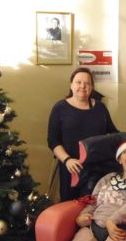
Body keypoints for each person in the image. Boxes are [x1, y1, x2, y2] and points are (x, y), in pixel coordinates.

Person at [47, 67, 118, 202]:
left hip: (97, 170)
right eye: (78, 82)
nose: (82, 86)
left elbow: (113, 133)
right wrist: (67, 160)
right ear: (71, 85)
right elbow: (53, 140)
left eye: (87, 83)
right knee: (70, 208)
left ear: (91, 87)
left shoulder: (100, 107)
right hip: (71, 168)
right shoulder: (60, 108)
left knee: (93, 208)